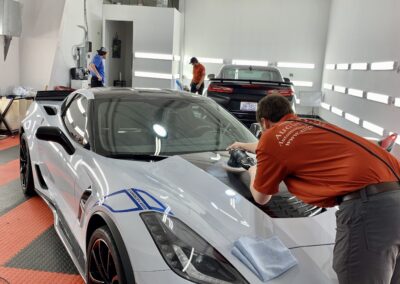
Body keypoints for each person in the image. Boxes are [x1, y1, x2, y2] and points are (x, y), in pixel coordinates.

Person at [228, 94, 400, 284]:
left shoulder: (272, 137)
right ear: (290, 113)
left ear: (264, 122)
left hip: (370, 210)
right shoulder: (311, 125)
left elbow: (261, 197)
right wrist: (242, 145)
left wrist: (253, 169)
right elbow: (272, 145)